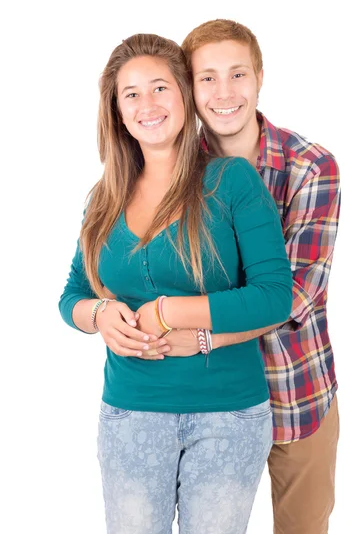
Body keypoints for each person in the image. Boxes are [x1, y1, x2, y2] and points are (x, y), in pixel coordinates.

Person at [59, 33, 293, 534]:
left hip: (228, 416)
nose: (148, 105)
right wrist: (99, 315)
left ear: (184, 96)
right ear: (117, 111)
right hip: (129, 414)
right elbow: (73, 294)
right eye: (131, 94)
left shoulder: (231, 181)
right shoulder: (104, 197)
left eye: (161, 88)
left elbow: (274, 297)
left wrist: (168, 311)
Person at [178, 19, 341, 534]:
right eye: (207, 78)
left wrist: (201, 334)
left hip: (296, 390)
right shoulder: (173, 174)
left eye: (237, 74)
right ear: (189, 87)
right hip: (209, 401)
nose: (224, 92)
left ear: (260, 77)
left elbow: (293, 298)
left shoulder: (311, 167)